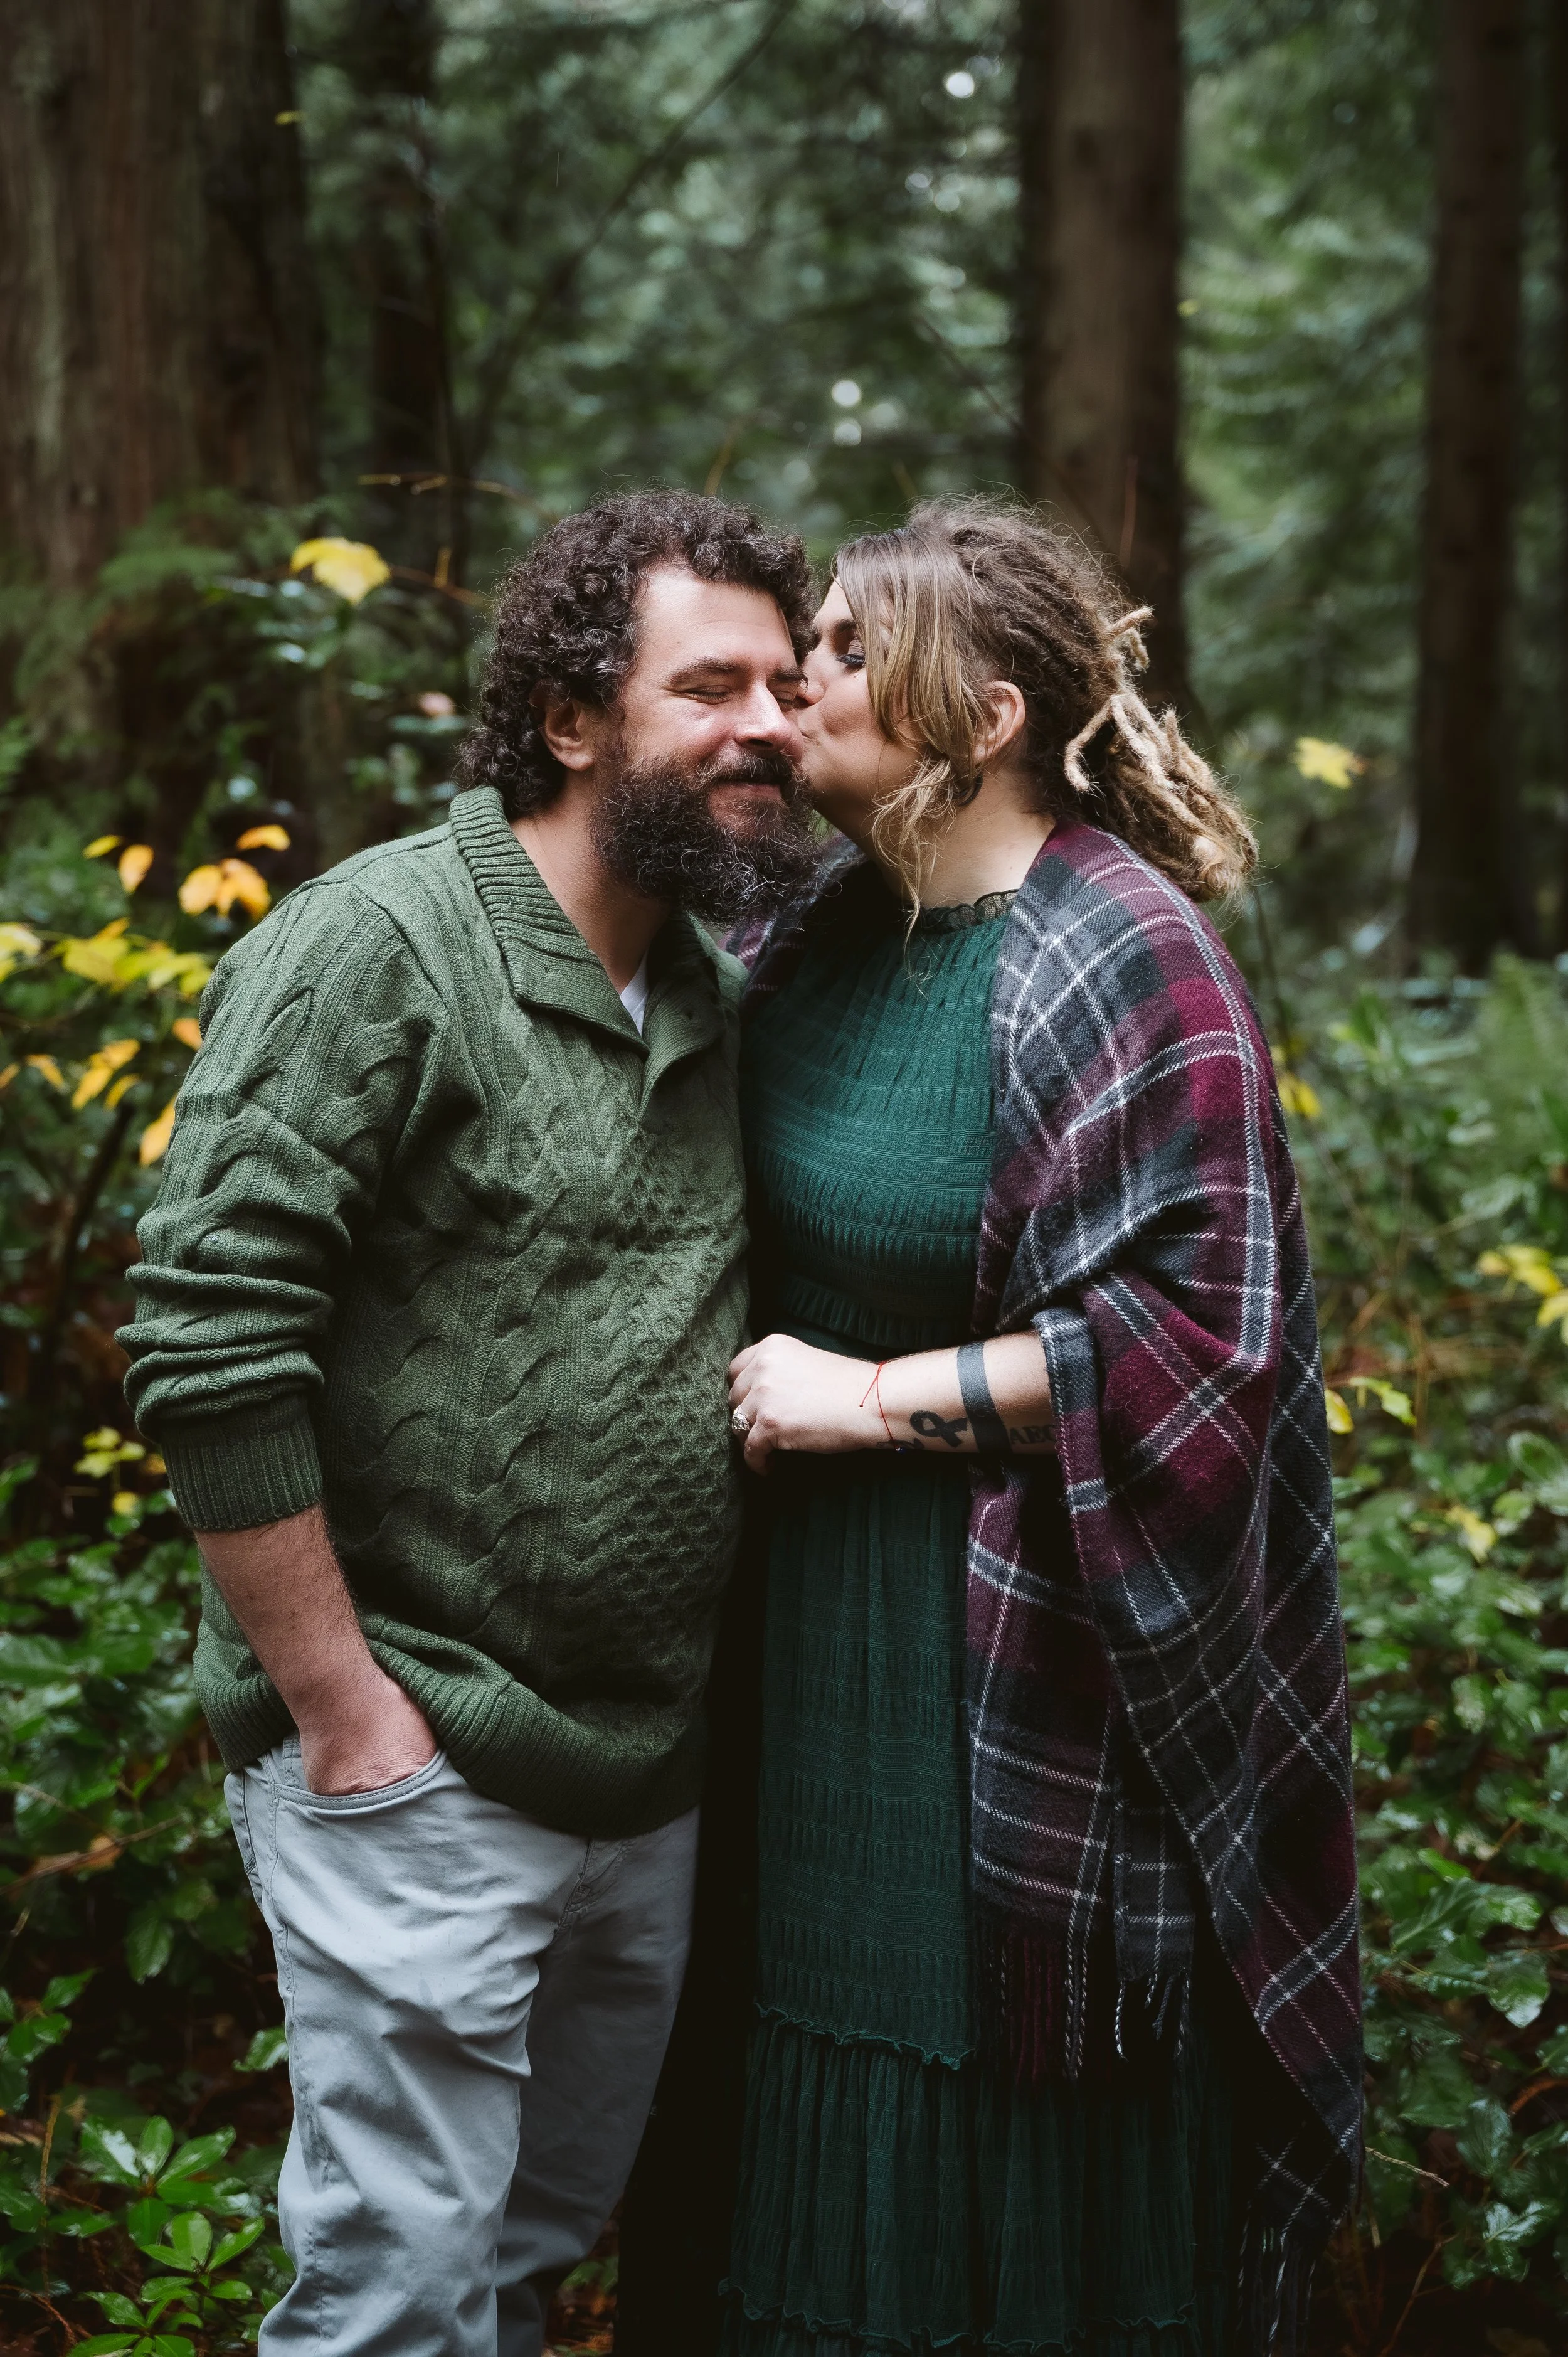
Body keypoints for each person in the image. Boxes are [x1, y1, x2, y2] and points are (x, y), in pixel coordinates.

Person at [623, 499, 1361, 2357]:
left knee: (1009, 2137)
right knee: (797, 2070)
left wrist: (874, 1398)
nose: (809, 676)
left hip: (1025, 1679)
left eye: (856, 650)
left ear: (984, 715)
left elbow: (1209, 1347)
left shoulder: (1127, 955)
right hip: (807, 1661)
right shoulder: (823, 926)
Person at [118, 489, 819, 2357]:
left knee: (524, 2264)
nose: (767, 724)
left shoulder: (711, 987)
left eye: (783, 680)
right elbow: (205, 1336)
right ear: (574, 719)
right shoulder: (382, 948)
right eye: (709, 685)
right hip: (414, 1758)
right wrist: (346, 1714)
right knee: (398, 2295)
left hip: (637, 1785)